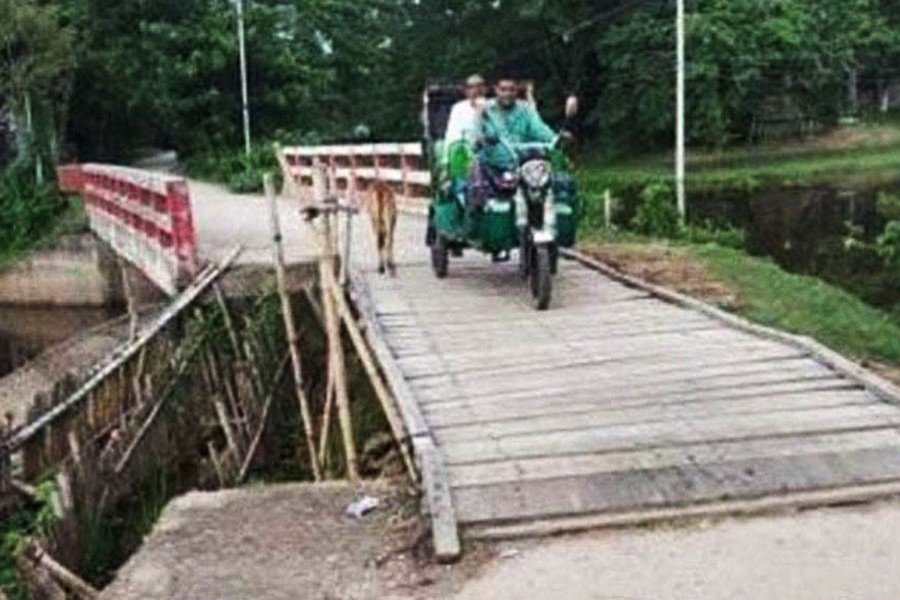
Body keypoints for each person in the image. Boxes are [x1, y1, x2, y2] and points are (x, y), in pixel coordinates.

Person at [477, 76, 562, 170]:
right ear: (496, 90)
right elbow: (478, 134)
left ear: (517, 90)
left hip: (523, 163)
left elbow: (539, 129)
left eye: (512, 90)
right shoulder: (486, 109)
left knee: (562, 181)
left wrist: (557, 139)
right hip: (492, 164)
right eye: (503, 90)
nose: (507, 94)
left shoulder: (525, 110)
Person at [444, 74, 487, 151]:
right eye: (471, 87)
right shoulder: (458, 109)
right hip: (466, 152)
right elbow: (453, 135)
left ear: (485, 89)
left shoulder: (493, 106)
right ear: (466, 91)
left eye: (479, 86)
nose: (476, 90)